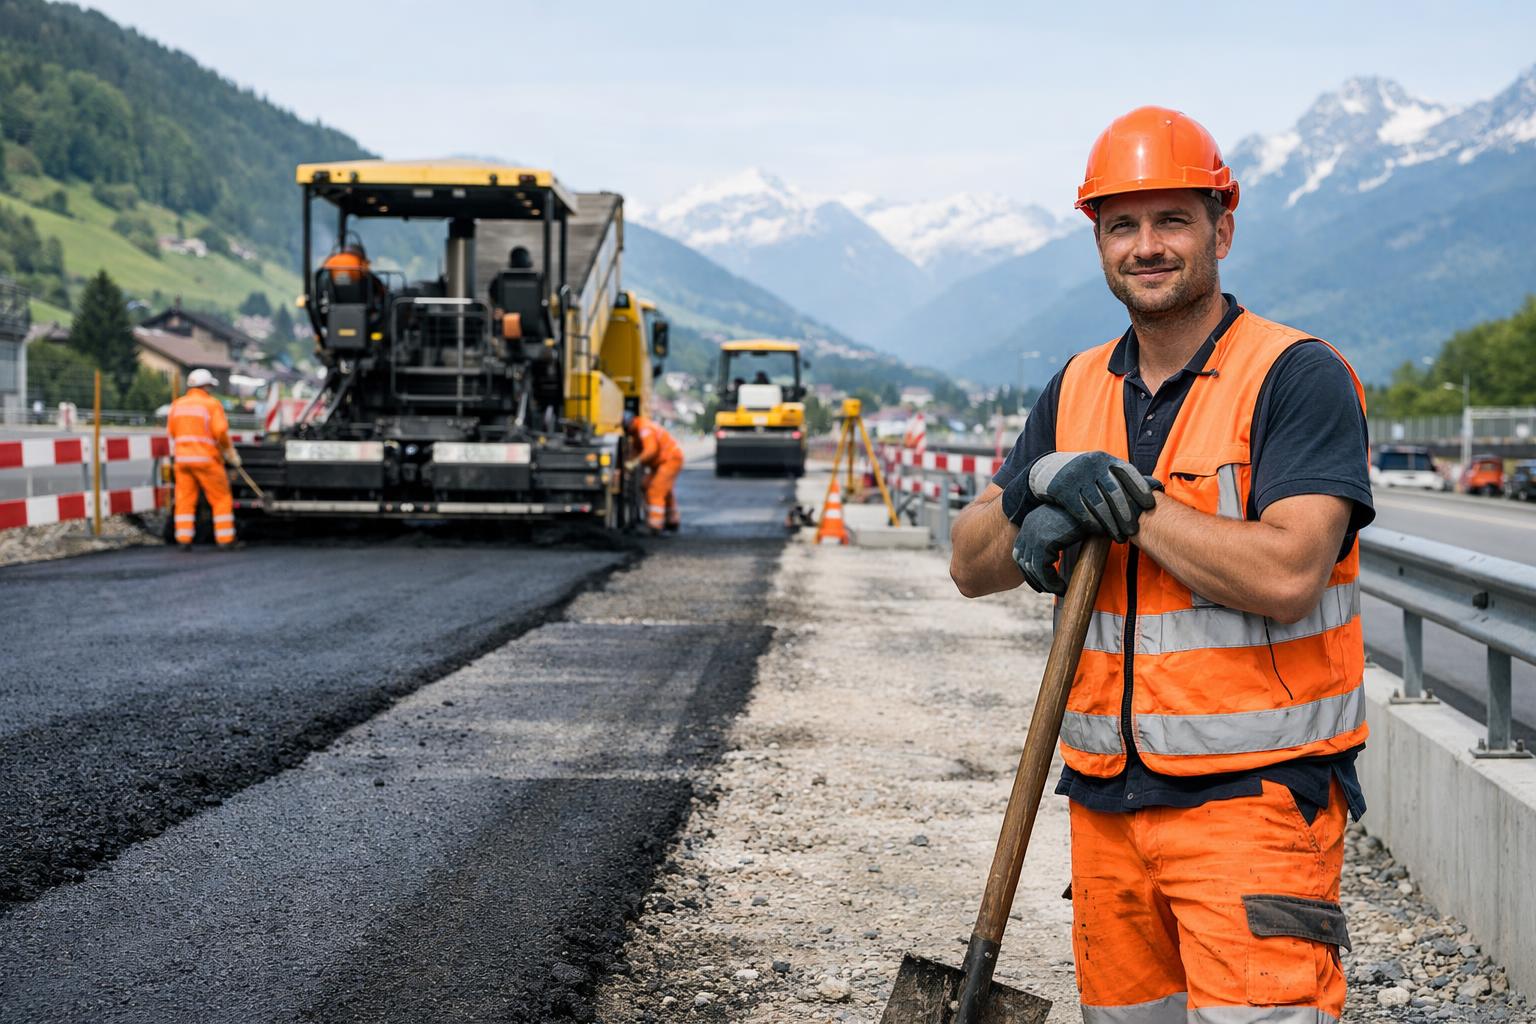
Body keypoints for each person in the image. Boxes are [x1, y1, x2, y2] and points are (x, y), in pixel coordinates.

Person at [949, 107, 1374, 1023]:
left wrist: (1129, 504)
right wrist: (1044, 482)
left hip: (1253, 810)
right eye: (1122, 226)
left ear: (1222, 227)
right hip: (1104, 808)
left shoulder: (1295, 375)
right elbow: (969, 563)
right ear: (1097, 240)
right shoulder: (1074, 388)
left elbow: (1288, 572)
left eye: (1172, 220)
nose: (1147, 246)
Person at [167, 368, 241, 550]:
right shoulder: (211, 405)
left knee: (184, 499)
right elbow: (220, 431)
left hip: (182, 461)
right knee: (221, 498)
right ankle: (225, 539)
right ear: (207, 386)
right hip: (207, 460)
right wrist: (229, 452)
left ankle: (184, 539)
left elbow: (172, 431)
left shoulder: (177, 404)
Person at [623, 409, 684, 534]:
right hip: (661, 462)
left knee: (655, 489)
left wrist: (636, 462)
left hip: (670, 460)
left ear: (629, 423)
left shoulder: (644, 428)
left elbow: (651, 450)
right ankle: (672, 520)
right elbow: (636, 450)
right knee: (649, 485)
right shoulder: (637, 431)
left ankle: (655, 525)